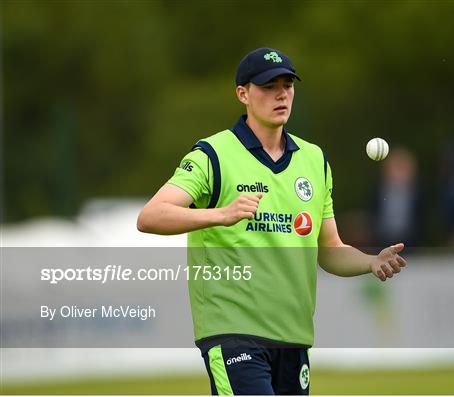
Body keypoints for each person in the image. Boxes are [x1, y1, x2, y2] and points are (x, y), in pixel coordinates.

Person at [137, 47, 407, 395]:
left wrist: (370, 262)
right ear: (243, 94)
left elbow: (330, 250)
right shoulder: (213, 154)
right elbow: (151, 216)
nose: (280, 94)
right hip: (233, 332)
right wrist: (222, 214)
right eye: (268, 86)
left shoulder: (314, 160)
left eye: (287, 84)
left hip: (293, 338)